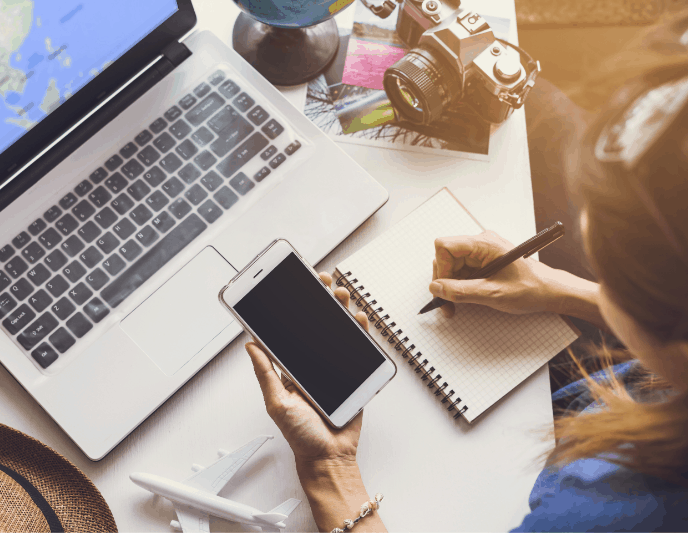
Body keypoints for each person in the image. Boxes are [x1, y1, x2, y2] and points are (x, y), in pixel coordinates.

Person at [243, 15, 688, 532]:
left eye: (609, 259)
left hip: (601, 409)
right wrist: (563, 290)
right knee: (539, 106)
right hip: (638, 369)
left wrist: (329, 471)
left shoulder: (606, 509)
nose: (583, 225)